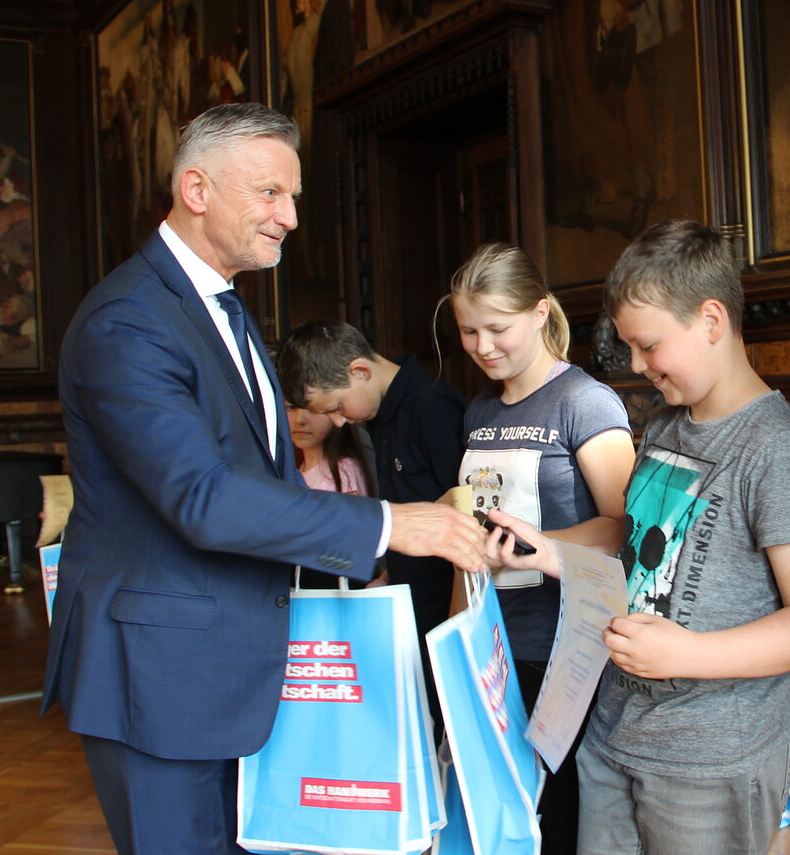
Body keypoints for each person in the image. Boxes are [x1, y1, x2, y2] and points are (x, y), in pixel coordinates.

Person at [41, 103, 487, 855]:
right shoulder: (127, 321)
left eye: (294, 196)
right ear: (197, 189)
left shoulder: (226, 308)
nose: (290, 218)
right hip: (159, 678)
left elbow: (266, 480)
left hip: (233, 664)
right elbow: (204, 497)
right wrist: (389, 522)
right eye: (270, 194)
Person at [486, 219, 790, 855]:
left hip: (715, 749)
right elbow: (635, 539)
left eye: (648, 345)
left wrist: (686, 656)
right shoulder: (662, 428)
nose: (635, 364)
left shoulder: (782, 453)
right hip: (616, 724)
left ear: (711, 320)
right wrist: (547, 551)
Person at [445, 241, 636, 852]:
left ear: (539, 312)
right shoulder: (478, 409)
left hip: (567, 654)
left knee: (560, 825)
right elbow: (471, 535)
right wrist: (459, 629)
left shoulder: (585, 402)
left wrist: (537, 546)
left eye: (497, 328)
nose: (482, 346)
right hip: (495, 645)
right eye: (469, 331)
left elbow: (625, 528)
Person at [276, 320, 467, 653]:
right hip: (408, 607)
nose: (337, 422)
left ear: (360, 371)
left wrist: (458, 616)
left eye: (336, 407)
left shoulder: (432, 406)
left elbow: (466, 512)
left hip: (447, 616)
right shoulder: (378, 416)